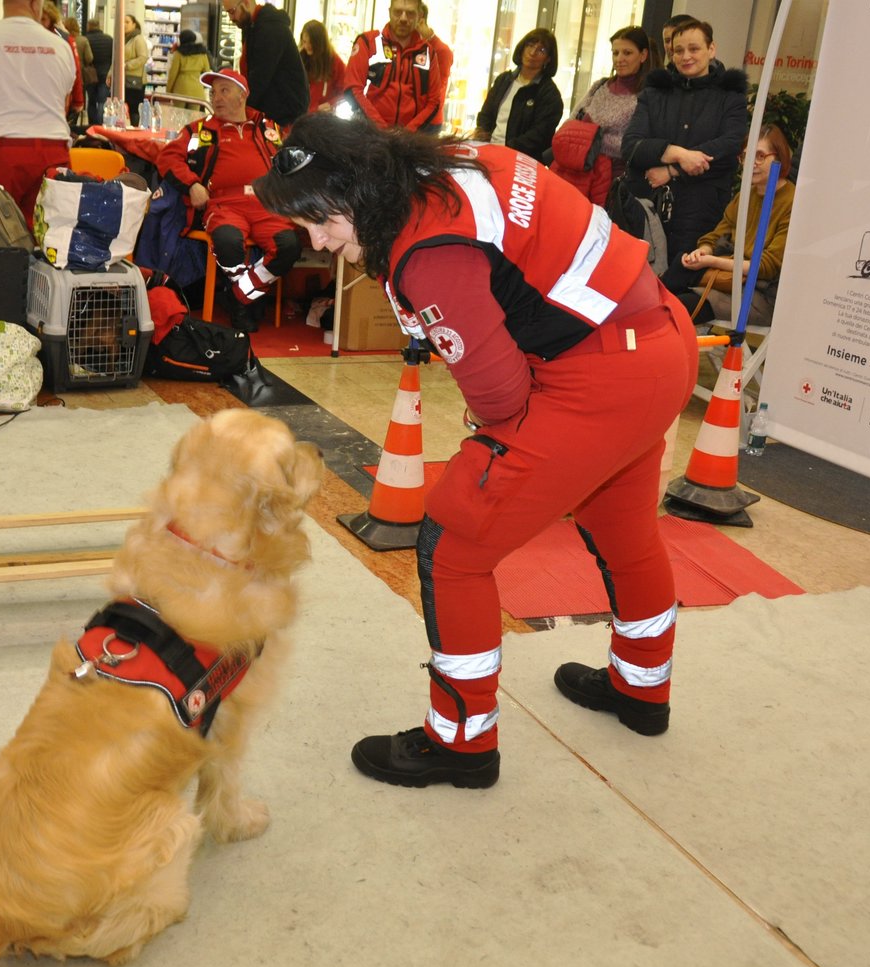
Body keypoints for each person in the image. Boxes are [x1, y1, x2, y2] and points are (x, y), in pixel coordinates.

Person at [255, 115, 697, 787]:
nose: (317, 241)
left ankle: (461, 741)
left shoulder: (423, 249)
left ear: (360, 188)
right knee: (622, 527)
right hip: (660, 340)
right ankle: (642, 688)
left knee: (456, 542)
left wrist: (496, 441)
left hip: (600, 375)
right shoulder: (459, 161)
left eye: (323, 220)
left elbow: (500, 397)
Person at [156, 70, 299, 332]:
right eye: (213, 93)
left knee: (289, 246)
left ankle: (238, 298)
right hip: (224, 205)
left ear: (243, 95)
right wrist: (192, 184)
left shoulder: (270, 128)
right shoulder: (199, 130)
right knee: (227, 242)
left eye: (224, 91)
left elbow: (291, 162)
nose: (216, 98)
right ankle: (248, 299)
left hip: (266, 203)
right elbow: (167, 158)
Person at [621, 18, 748, 284]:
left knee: (681, 283)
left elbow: (729, 147)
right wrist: (677, 152)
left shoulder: (730, 94)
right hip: (648, 208)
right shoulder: (655, 92)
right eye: (678, 50)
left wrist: (672, 170)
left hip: (701, 209)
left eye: (694, 48)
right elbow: (631, 146)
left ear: (711, 49)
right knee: (635, 281)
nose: (686, 56)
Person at [0, 0, 76, 227]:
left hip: (0, 152)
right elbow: (63, 105)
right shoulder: (61, 47)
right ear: (35, 3)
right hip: (53, 151)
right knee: (53, 241)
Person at [673, 124, 796, 327]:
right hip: (732, 281)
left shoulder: (793, 202)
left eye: (760, 156)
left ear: (779, 157)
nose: (752, 163)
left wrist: (711, 261)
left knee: (674, 308)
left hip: (762, 295)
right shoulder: (745, 195)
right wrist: (703, 251)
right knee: (675, 276)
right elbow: (717, 234)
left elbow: (765, 266)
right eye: (746, 156)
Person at [571, 26, 658, 192]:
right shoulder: (600, 85)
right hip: (580, 172)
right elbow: (572, 121)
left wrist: (590, 134)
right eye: (615, 53)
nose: (619, 59)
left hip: (615, 181)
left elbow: (632, 145)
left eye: (627, 53)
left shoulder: (647, 96)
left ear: (643, 55)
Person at [344, 0, 444, 131]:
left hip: (409, 141)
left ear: (420, 16)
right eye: (398, 12)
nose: (403, 18)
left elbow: (434, 101)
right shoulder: (367, 42)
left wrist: (408, 133)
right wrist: (381, 129)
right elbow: (352, 88)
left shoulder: (428, 53)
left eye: (410, 13)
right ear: (389, 12)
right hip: (368, 135)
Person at [473, 28, 561, 163]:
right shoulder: (503, 80)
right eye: (530, 46)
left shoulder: (549, 94)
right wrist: (482, 137)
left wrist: (506, 149)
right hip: (488, 153)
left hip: (521, 163)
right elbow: (486, 113)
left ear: (548, 59)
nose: (532, 53)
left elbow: (540, 135)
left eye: (541, 50)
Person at [219, 0, 309, 128]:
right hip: (273, 110)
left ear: (246, 3)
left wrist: (239, 109)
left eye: (232, 12)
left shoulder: (270, 29)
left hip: (284, 115)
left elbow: (259, 78)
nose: (231, 18)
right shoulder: (251, 25)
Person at [415, 3, 451, 134]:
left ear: (421, 20)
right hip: (409, 117)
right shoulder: (410, 46)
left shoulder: (441, 50)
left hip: (429, 122)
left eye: (410, 14)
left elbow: (437, 91)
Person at [299, 20, 346, 114]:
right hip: (302, 116)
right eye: (304, 42)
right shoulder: (300, 58)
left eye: (311, 42)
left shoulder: (335, 62)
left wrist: (331, 104)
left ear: (320, 42)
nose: (307, 46)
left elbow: (345, 91)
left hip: (323, 118)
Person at [83, 17, 114, 127]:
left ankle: (92, 125)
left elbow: (86, 58)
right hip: (105, 74)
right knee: (102, 101)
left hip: (90, 76)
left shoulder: (85, 39)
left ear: (89, 26)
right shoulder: (109, 39)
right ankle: (101, 125)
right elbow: (113, 58)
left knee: (91, 101)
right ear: (99, 26)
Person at [166, 30, 211, 100]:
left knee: (178, 111)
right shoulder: (202, 53)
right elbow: (207, 71)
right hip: (197, 90)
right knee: (194, 111)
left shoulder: (179, 53)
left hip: (181, 90)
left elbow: (173, 74)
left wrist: (168, 91)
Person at [121, 14, 149, 119]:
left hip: (135, 81)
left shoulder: (138, 39)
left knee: (134, 110)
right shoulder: (122, 39)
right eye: (123, 22)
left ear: (134, 24)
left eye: (127, 22)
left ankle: (135, 131)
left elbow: (143, 57)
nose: (124, 24)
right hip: (123, 80)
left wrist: (127, 65)